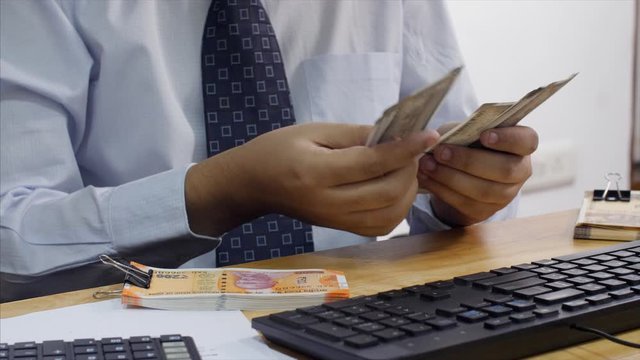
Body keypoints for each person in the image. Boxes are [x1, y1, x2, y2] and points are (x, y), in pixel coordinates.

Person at [0, 0, 537, 295]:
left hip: (358, 316)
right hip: (129, 326)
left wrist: (465, 196)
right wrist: (221, 193)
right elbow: (11, 238)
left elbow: (454, 173)